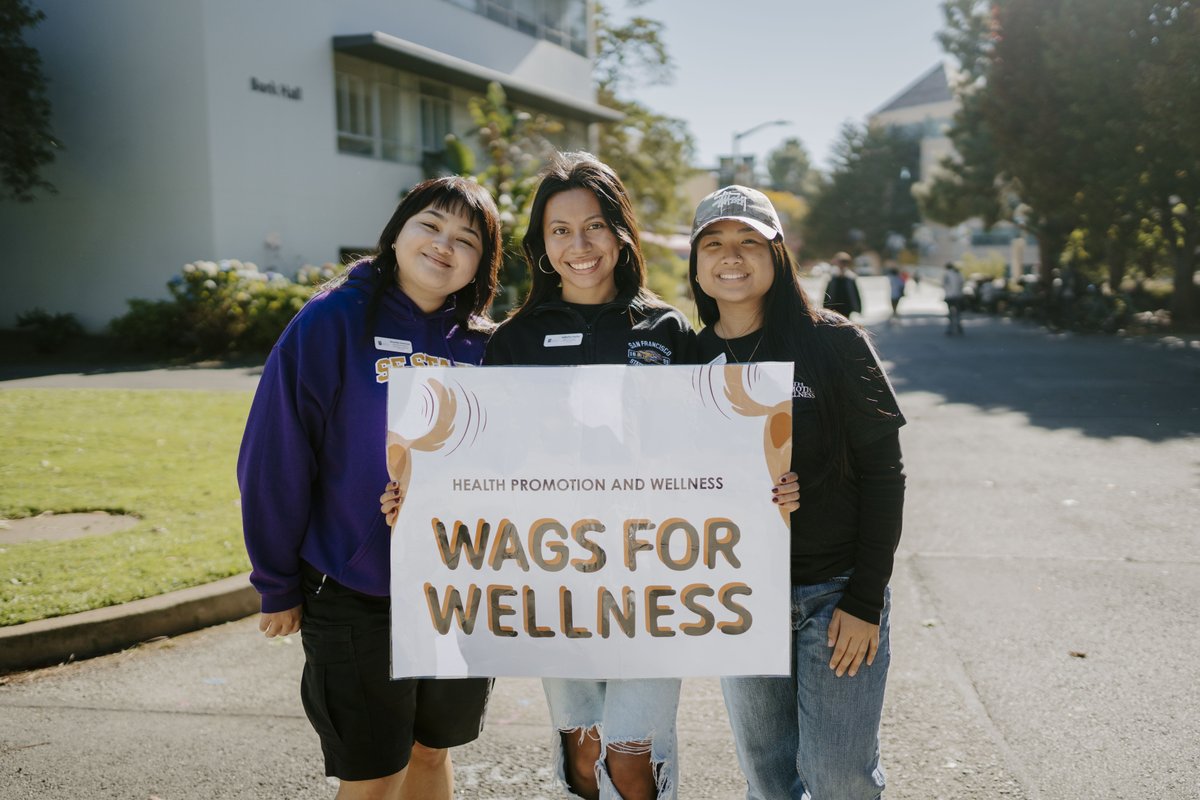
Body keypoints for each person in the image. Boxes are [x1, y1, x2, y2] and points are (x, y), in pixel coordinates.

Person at [238, 176, 503, 800]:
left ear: (480, 266)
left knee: (431, 755)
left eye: (466, 239)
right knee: (374, 776)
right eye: (430, 225)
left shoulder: (487, 348)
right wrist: (275, 581)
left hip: (456, 590)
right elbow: (275, 454)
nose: (444, 245)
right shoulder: (333, 319)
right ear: (398, 232)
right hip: (354, 587)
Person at [688, 185, 906, 800]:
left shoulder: (834, 342)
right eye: (715, 243)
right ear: (698, 266)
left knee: (840, 780)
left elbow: (886, 477)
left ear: (778, 256)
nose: (732, 255)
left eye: (750, 241)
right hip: (738, 598)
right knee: (768, 780)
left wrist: (864, 601)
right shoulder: (687, 358)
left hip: (834, 594)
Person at [822, 252, 862, 317]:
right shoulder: (832, 277)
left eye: (844, 263)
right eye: (840, 262)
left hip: (847, 308)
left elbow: (856, 294)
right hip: (834, 307)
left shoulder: (850, 277)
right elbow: (827, 294)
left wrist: (859, 309)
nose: (842, 265)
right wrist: (825, 308)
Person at [943, 261, 965, 335]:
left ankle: (950, 328)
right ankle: (959, 326)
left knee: (950, 312)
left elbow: (943, 284)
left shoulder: (946, 274)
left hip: (949, 296)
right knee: (958, 312)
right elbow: (962, 283)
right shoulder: (958, 273)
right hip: (958, 296)